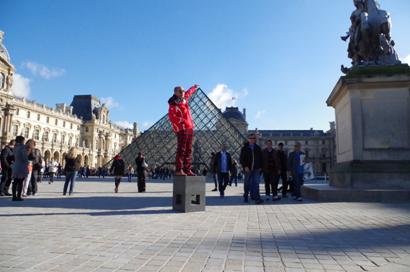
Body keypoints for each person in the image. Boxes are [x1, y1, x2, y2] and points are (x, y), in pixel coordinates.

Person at [168, 84, 199, 176]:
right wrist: (182, 121)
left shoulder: (184, 98)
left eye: (183, 91)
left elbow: (188, 93)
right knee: (181, 149)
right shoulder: (173, 104)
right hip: (182, 129)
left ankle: (187, 169)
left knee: (189, 149)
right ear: (175, 93)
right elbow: (172, 117)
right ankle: (179, 169)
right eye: (180, 91)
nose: (183, 93)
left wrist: (194, 88)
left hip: (190, 127)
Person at [240, 133, 263, 204]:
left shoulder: (258, 148)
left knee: (256, 183)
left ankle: (257, 198)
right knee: (247, 183)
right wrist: (245, 166)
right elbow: (241, 159)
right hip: (248, 168)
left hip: (256, 168)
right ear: (248, 139)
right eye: (251, 138)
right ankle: (246, 196)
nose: (252, 139)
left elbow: (261, 158)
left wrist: (260, 167)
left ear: (255, 139)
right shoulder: (244, 148)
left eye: (253, 138)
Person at [11, 136, 30, 201]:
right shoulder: (22, 147)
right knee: (20, 182)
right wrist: (27, 161)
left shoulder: (15, 147)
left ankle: (14, 196)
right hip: (21, 166)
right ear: (22, 141)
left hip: (16, 165)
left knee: (15, 181)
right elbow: (24, 157)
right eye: (23, 140)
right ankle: (18, 196)